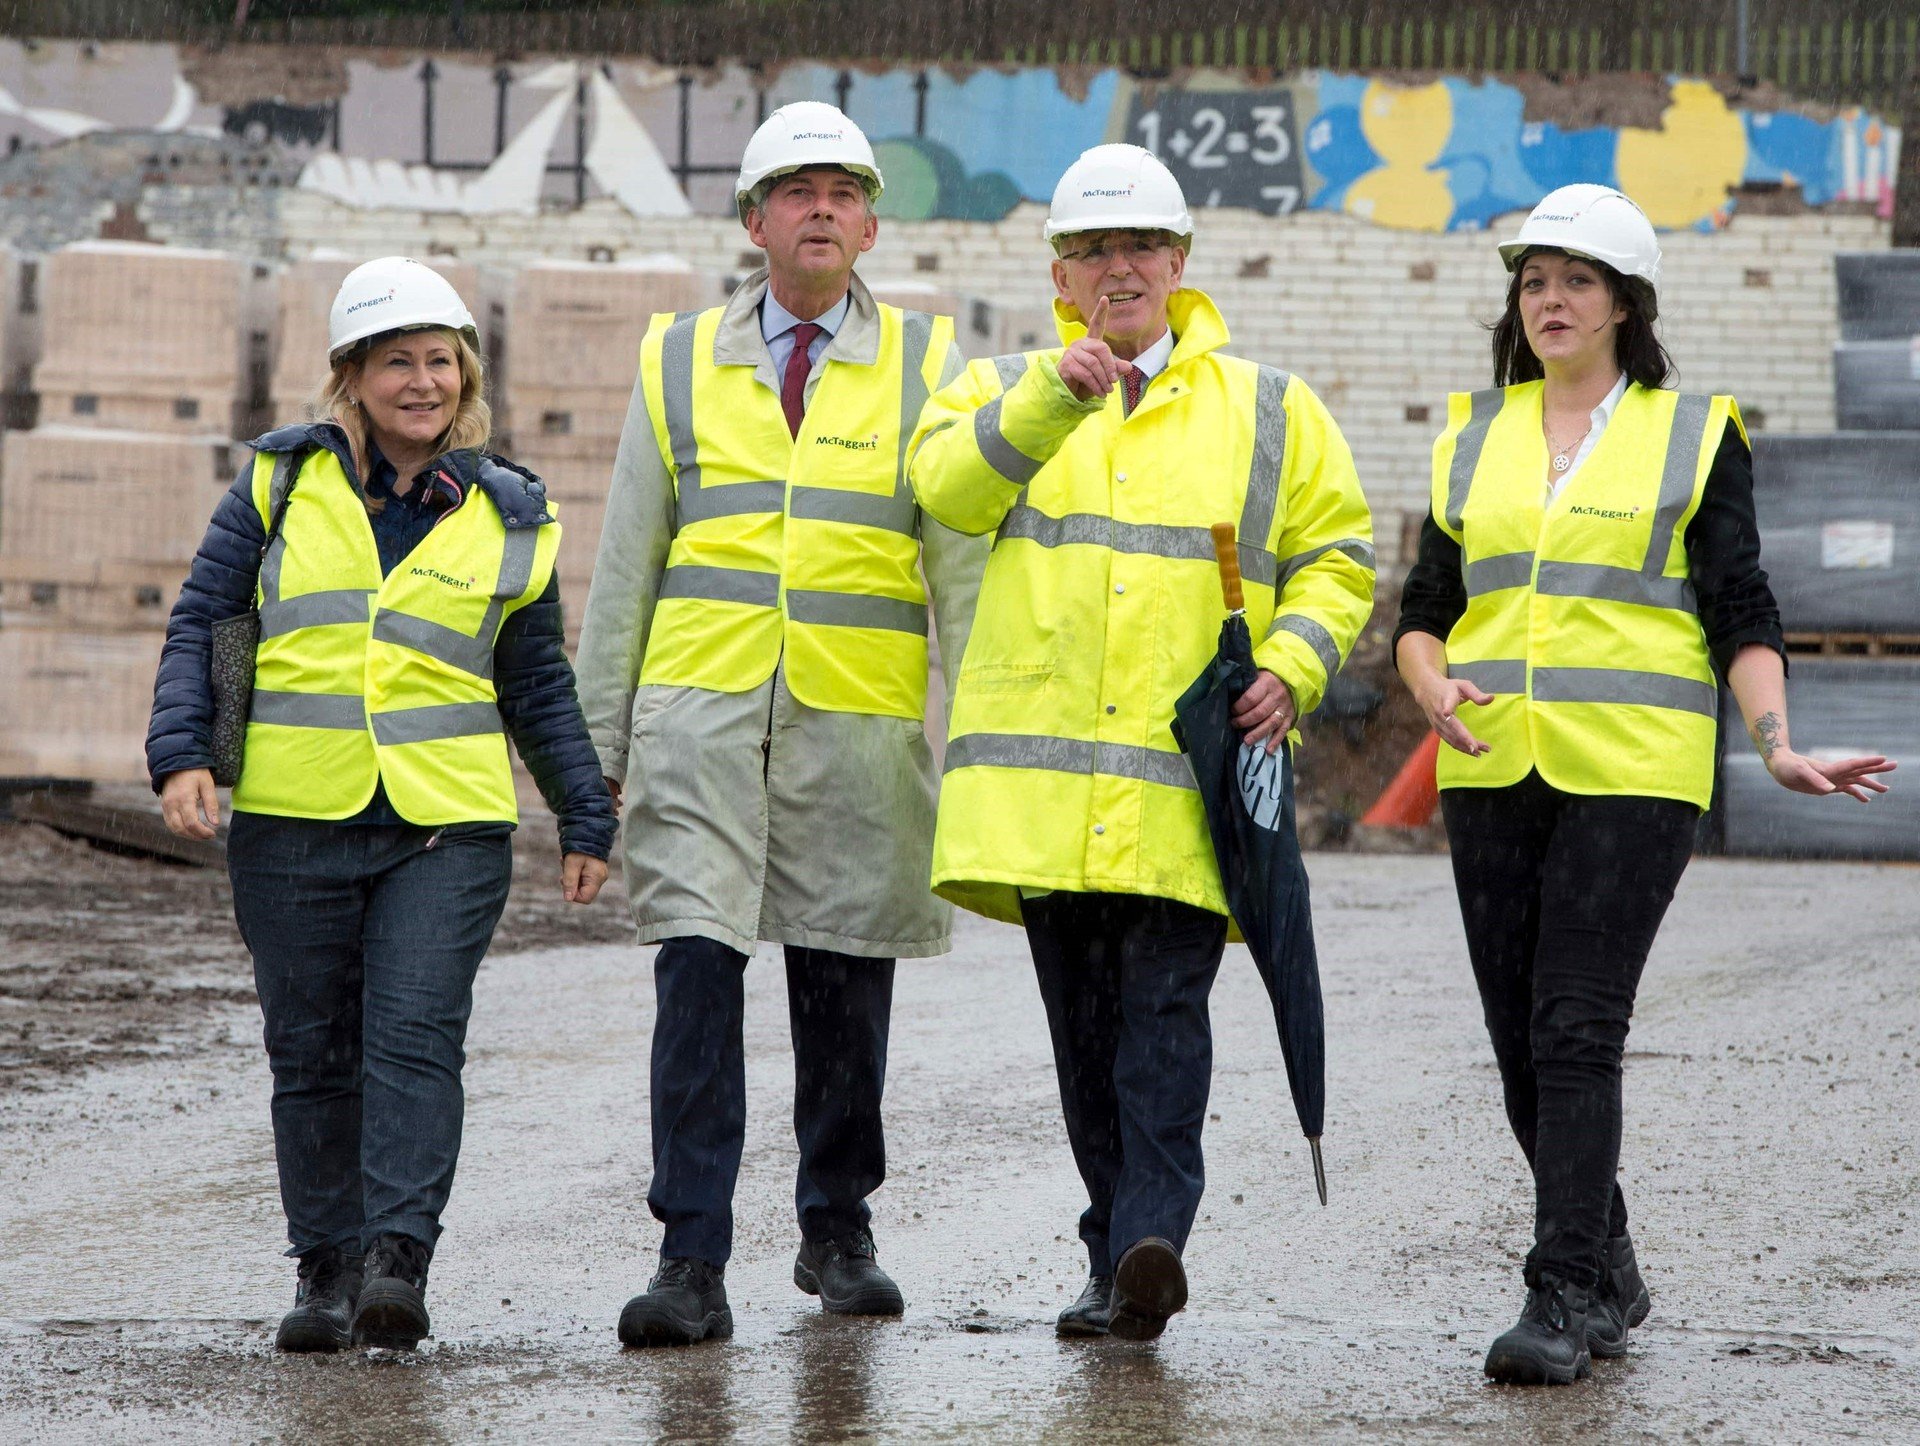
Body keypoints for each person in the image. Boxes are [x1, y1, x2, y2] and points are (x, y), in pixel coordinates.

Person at [1392, 183, 1896, 1386]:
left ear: (1625, 302)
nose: (1551, 300)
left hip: (1635, 774)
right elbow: (1424, 614)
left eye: (1575, 280)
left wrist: (1774, 741)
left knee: (1576, 1024)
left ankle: (1562, 1292)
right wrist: (1429, 687)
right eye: (1534, 281)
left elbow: (1742, 607)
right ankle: (1608, 1259)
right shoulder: (1473, 432)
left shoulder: (1692, 432)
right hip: (1494, 766)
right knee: (1520, 1040)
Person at [908, 144, 1375, 1342]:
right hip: (1047, 797)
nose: (1120, 269)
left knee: (1166, 1019)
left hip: (1187, 788)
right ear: (1060, 276)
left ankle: (1148, 1240)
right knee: (1086, 1039)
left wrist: (1294, 662)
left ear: (1180, 263)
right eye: (1094, 252)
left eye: (1140, 249)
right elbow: (950, 491)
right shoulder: (998, 390)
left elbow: (1336, 559)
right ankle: (1113, 1246)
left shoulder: (1269, 408)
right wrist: (1053, 396)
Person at [573, 101, 987, 1348]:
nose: (819, 209)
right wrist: (591, 768)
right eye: (794, 190)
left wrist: (979, 749)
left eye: (841, 190)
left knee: (844, 983)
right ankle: (690, 1256)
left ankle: (836, 1228)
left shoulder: (929, 366)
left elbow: (962, 574)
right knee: (696, 977)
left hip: (853, 733)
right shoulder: (678, 360)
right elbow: (622, 569)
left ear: (870, 221)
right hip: (700, 724)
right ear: (753, 221)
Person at [148, 257, 615, 1354]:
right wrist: (183, 756)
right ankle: (324, 1271)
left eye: (439, 362)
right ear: (350, 377)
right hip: (291, 818)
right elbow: (204, 621)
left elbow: (537, 682)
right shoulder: (275, 485)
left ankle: (395, 1266)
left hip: (444, 829)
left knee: (412, 1038)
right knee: (309, 1051)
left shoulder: (512, 515)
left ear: (467, 379)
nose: (422, 383)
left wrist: (584, 815)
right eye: (396, 361)